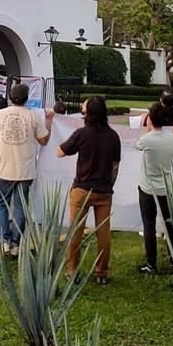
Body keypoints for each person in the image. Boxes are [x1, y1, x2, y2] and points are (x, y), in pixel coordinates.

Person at [58, 96, 121, 285]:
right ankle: (102, 272)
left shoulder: (81, 134)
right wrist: (110, 185)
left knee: (76, 231)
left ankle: (72, 271)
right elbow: (115, 166)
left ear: (87, 113)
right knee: (103, 233)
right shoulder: (113, 136)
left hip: (82, 190)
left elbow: (60, 152)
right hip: (104, 191)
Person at [0, 82, 53, 255]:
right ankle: (16, 243)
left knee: (1, 203)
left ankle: (2, 242)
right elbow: (44, 140)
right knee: (20, 206)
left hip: (4, 169)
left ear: (10, 97)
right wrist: (50, 121)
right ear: (26, 98)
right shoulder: (33, 117)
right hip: (26, 170)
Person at [135, 102, 173, 275]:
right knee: (169, 225)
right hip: (166, 188)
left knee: (149, 225)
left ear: (150, 119)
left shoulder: (147, 139)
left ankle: (151, 264)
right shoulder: (172, 138)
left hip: (147, 188)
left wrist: (148, 128)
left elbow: (137, 145)